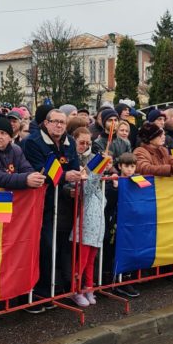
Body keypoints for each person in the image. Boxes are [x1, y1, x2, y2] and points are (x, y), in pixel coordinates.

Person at [22, 108, 84, 311]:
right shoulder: (33, 142)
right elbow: (39, 170)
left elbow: (73, 165)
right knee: (44, 245)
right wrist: (66, 176)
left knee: (61, 246)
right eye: (55, 121)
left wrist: (70, 182)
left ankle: (53, 288)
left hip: (63, 202)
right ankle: (38, 292)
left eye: (62, 122)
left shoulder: (69, 142)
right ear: (46, 123)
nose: (59, 125)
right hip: (42, 202)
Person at [68, 127, 106, 308]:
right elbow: (87, 187)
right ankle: (76, 290)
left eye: (88, 143)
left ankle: (89, 287)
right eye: (81, 143)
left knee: (91, 259)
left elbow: (95, 187)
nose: (85, 146)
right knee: (81, 260)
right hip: (84, 224)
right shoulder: (73, 160)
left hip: (97, 226)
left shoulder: (91, 161)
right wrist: (97, 171)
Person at [0, 116, 44, 190]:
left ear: (10, 138)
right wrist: (25, 179)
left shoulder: (16, 149)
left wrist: (34, 177)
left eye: (3, 133)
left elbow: (26, 168)